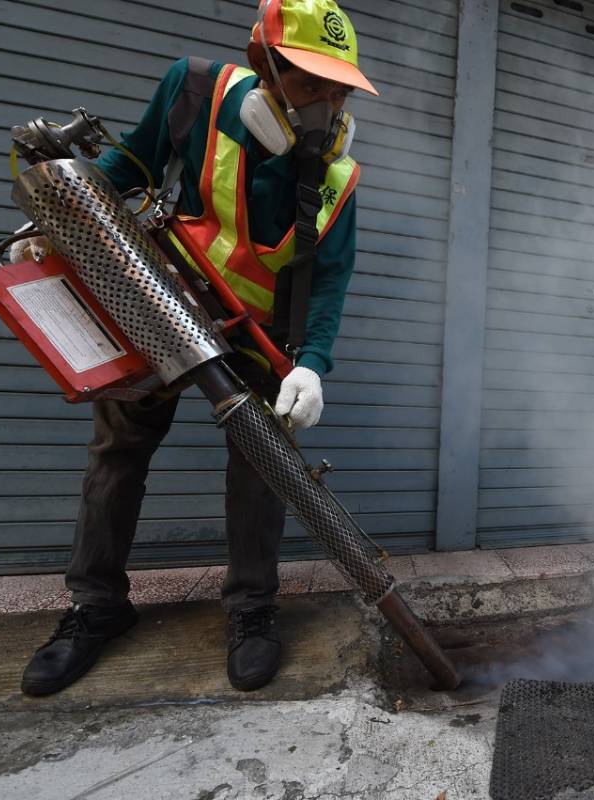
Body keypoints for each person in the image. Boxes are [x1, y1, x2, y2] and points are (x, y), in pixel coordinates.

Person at [19, 0, 377, 696]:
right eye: (310, 83)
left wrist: (310, 363)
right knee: (118, 455)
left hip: (255, 336)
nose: (327, 106)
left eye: (339, 91)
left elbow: (329, 280)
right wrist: (58, 223)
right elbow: (124, 170)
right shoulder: (194, 91)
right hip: (165, 304)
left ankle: (252, 610)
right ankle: (97, 606)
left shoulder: (337, 179)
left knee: (263, 469)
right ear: (263, 64)